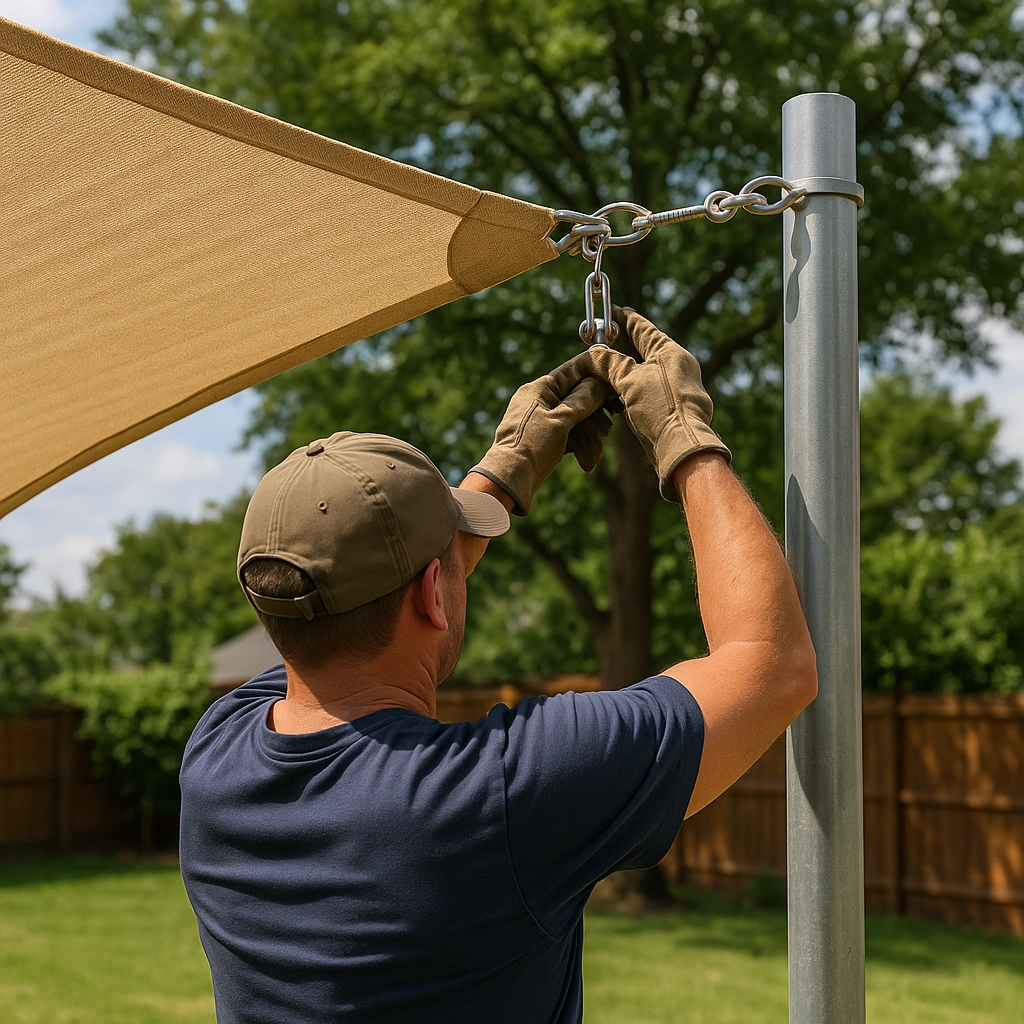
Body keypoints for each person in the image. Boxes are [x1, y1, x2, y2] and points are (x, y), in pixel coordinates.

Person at [179, 307, 817, 1024]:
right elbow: (772, 661)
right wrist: (686, 440)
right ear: (431, 590)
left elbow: (372, 601)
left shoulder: (217, 754)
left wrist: (505, 469)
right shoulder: (504, 795)